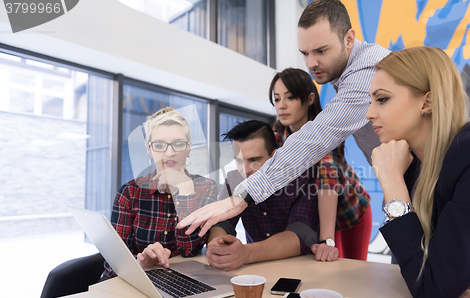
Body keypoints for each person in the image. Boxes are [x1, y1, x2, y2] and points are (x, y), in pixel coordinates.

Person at [177, 0, 390, 237]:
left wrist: (243, 196)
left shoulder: (365, 74)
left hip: (354, 208)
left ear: (349, 39)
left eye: (321, 51)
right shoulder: (277, 131)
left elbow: (318, 149)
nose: (311, 64)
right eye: (305, 53)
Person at [367, 46, 470, 298]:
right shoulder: (415, 165)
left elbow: (428, 289)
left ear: (426, 102)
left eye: (382, 100)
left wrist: (391, 182)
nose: (369, 114)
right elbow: (421, 270)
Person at [102, 107, 217, 278]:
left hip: (184, 281)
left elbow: (190, 251)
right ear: (149, 149)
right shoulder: (130, 192)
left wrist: (185, 190)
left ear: (189, 148)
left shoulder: (206, 187)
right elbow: (114, 262)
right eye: (160, 145)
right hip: (137, 280)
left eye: (178, 144)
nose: (169, 152)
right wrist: (141, 261)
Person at [271, 67, 372, 261]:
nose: (281, 105)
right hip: (313, 215)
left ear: (309, 99)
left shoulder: (327, 131)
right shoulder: (276, 136)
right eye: (277, 99)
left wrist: (327, 240)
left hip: (350, 211)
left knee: (353, 271)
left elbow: (328, 182)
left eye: (290, 97)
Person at [206, 120, 321, 271]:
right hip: (256, 270)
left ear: (274, 157)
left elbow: (300, 235)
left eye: (254, 160)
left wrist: (246, 253)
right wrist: (218, 246)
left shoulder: (302, 179)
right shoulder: (234, 179)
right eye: (239, 161)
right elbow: (221, 224)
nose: (245, 170)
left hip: (301, 270)